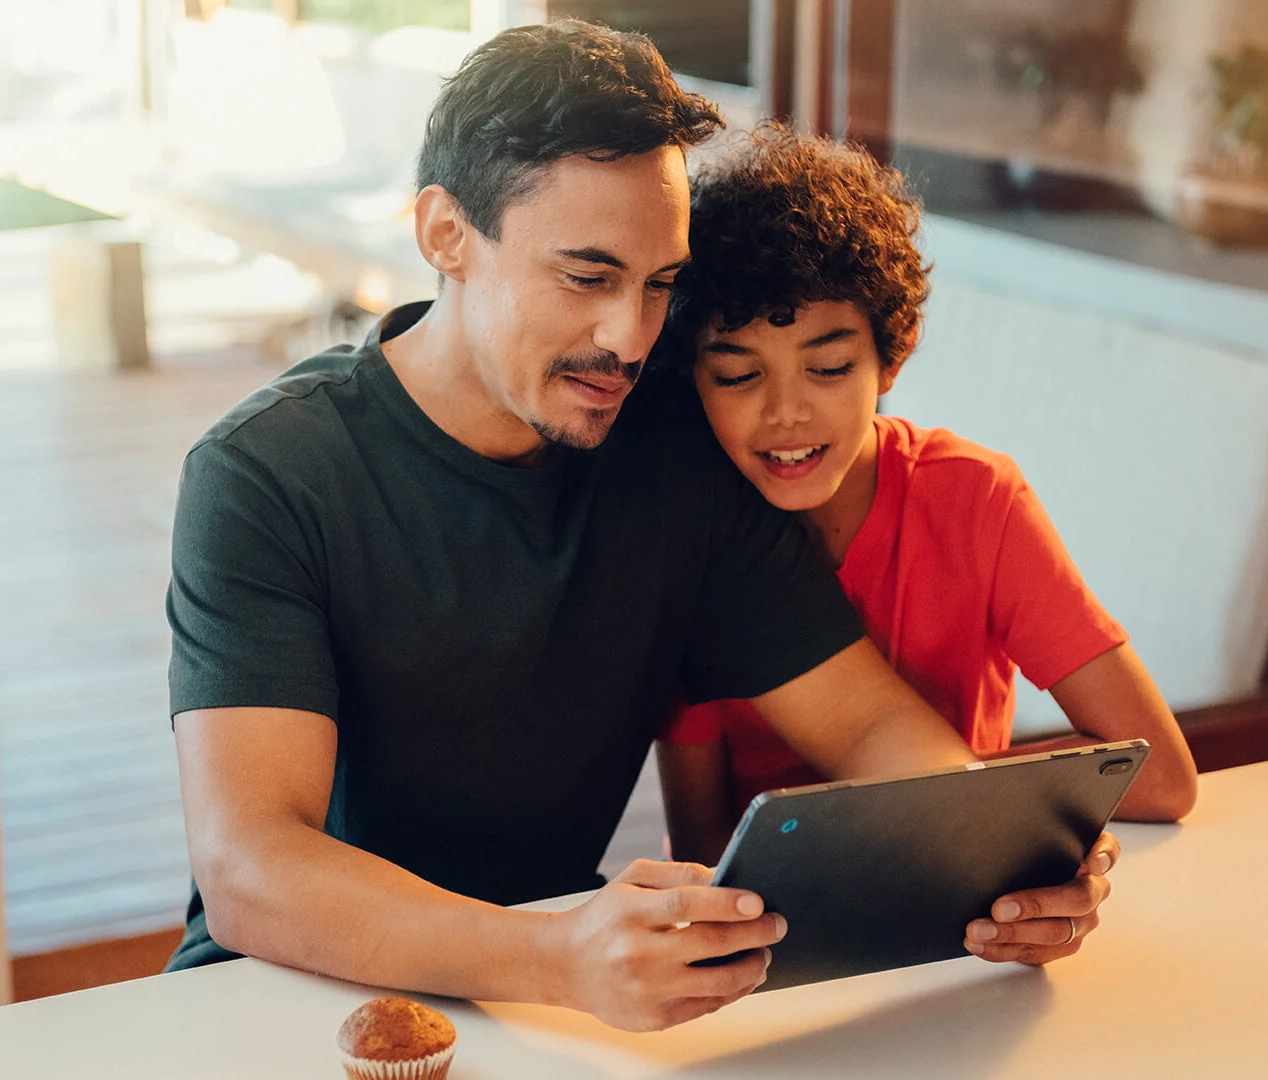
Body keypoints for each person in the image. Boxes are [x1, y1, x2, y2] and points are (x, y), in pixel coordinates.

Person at [166, 22, 1120, 1034]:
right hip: (287, 998)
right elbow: (251, 866)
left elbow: (868, 724)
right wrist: (553, 957)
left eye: (661, 285)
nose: (630, 339)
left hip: (542, 1002)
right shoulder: (266, 475)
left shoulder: (673, 455)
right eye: (587, 277)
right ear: (445, 234)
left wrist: (1003, 863)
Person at [657, 123, 1197, 874]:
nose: (786, 414)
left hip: (961, 872)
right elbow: (700, 846)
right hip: (775, 922)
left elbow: (1164, 776)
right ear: (692, 379)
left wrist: (962, 799)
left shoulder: (977, 501)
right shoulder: (686, 534)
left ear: (891, 358)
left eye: (830, 368)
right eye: (739, 376)